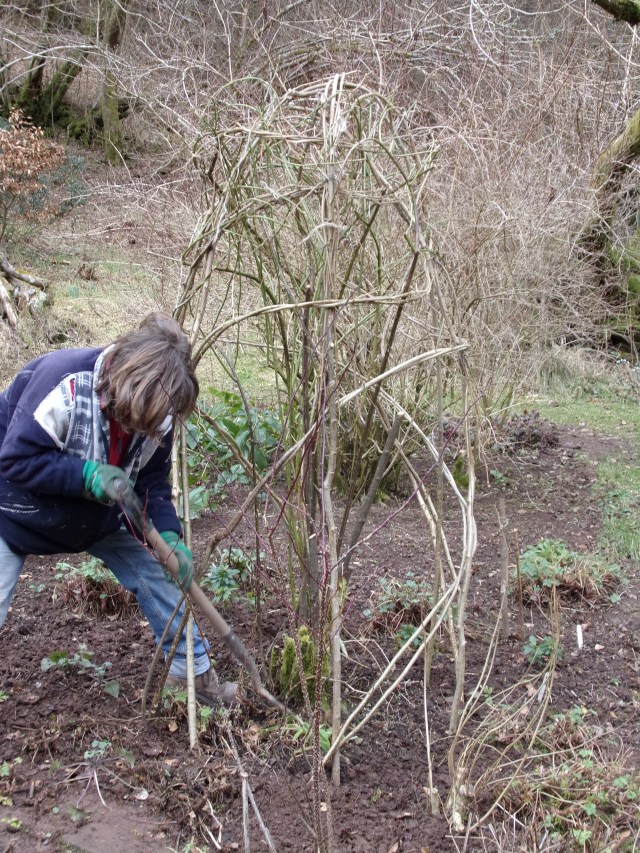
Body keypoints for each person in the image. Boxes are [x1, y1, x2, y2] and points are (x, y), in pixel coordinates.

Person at [0, 311, 237, 707]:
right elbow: (14, 460)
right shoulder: (64, 382)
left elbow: (153, 482)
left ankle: (193, 678)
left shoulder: (159, 411)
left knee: (156, 576)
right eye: (137, 421)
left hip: (97, 517)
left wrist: (170, 536)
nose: (148, 429)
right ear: (125, 382)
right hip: (13, 508)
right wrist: (87, 476)